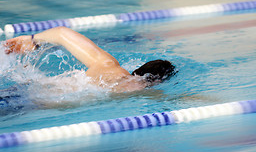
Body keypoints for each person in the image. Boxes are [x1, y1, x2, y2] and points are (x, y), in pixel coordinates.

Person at [3, 27, 175, 92]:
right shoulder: (137, 88)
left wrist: (32, 39)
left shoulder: (108, 65)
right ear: (158, 81)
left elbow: (63, 33)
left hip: (24, 88)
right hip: (33, 102)